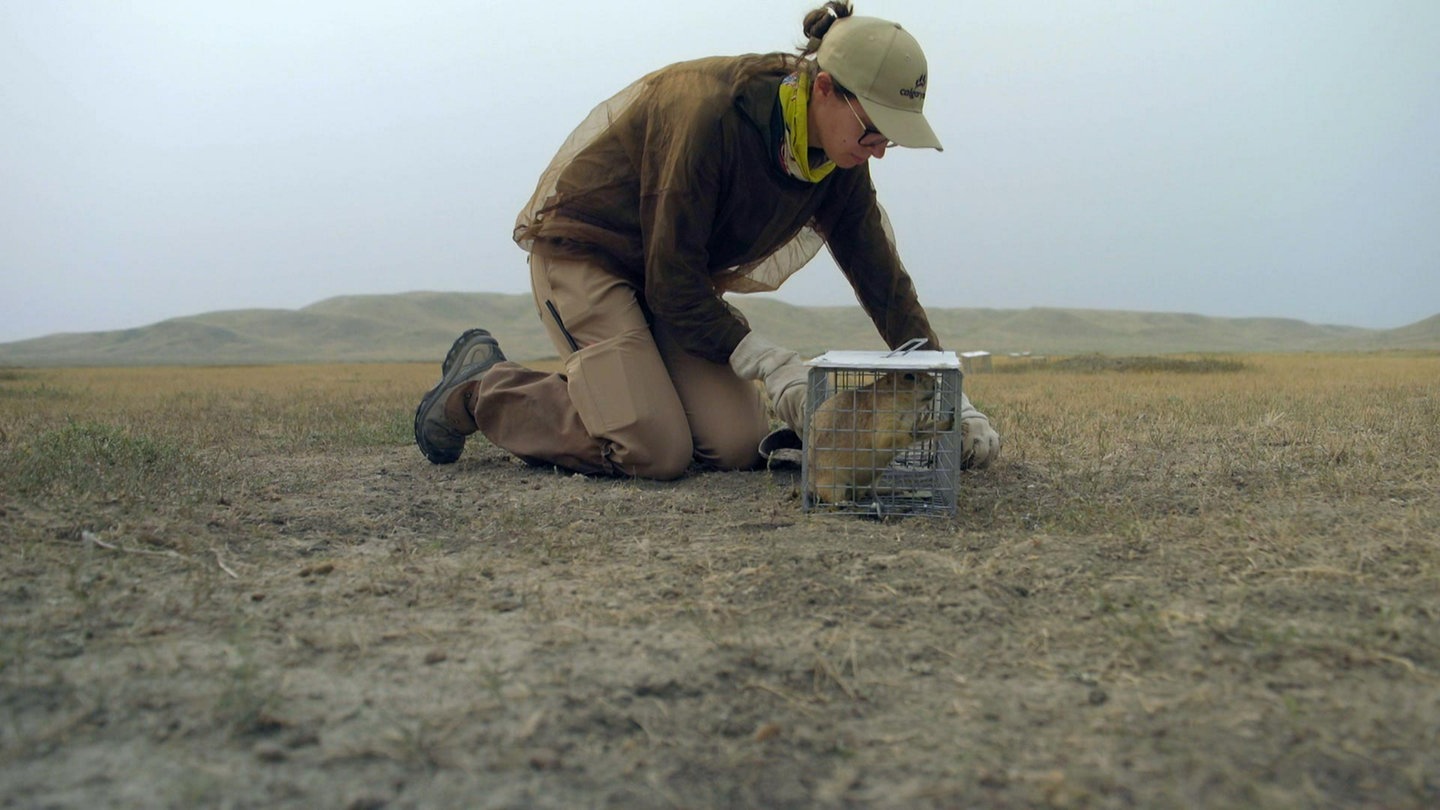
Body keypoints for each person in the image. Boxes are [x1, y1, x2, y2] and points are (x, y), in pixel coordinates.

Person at [414, 1, 1001, 480]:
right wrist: (771, 361)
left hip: (675, 283)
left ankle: (616, 388)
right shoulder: (709, 113)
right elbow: (671, 281)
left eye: (890, 139)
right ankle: (483, 389)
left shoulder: (839, 162)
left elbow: (883, 282)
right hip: (589, 255)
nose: (879, 150)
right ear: (825, 88)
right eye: (874, 130)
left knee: (736, 443)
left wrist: (949, 390)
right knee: (654, 450)